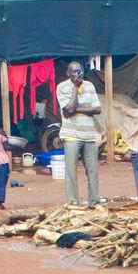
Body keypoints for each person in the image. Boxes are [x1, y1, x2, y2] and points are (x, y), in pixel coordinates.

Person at [56, 63, 103, 207]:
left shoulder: (90, 86)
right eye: (75, 71)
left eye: (80, 71)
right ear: (68, 73)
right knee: (71, 172)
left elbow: (97, 109)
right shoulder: (62, 87)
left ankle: (94, 203)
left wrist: (77, 109)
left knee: (93, 171)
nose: (78, 74)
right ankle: (73, 203)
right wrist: (76, 88)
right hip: (71, 135)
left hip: (89, 135)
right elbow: (68, 109)